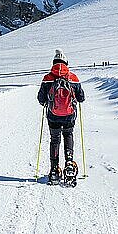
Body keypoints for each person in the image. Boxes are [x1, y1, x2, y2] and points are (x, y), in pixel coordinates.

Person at [37, 49, 85, 184]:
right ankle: (69, 163)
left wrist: (47, 101)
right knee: (68, 136)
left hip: (53, 116)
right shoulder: (73, 78)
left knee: (55, 139)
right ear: (66, 63)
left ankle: (54, 169)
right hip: (69, 116)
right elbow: (81, 98)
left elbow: (40, 99)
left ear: (53, 63)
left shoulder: (47, 78)